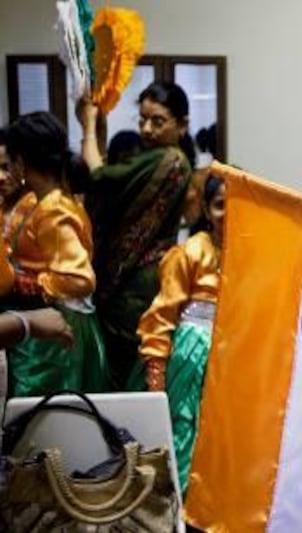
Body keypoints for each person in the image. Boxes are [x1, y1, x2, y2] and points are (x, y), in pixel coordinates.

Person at [77, 81, 193, 389]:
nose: (147, 129)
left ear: (182, 125)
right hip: (138, 283)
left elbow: (99, 177)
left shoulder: (168, 159)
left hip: (134, 287)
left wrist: (88, 127)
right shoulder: (168, 160)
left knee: (123, 375)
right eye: (142, 119)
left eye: (158, 121)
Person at [2, 111, 108, 397]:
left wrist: (29, 283)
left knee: (46, 412)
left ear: (21, 162)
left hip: (56, 328)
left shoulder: (54, 210)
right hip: (44, 320)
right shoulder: (36, 203)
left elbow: (79, 279)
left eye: (9, 162)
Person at [135, 175, 224, 493]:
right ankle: (179, 511)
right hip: (192, 354)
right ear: (204, 207)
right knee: (184, 429)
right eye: (219, 205)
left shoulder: (253, 253)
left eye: (237, 205)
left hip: (232, 358)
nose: (228, 213)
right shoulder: (190, 252)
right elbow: (161, 316)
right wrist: (156, 376)